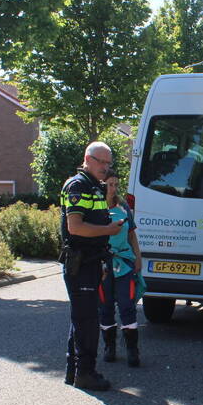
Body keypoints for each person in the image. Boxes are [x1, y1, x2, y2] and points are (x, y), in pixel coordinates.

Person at [60, 142, 125, 391]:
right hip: (80, 261)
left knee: (82, 318)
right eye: (102, 162)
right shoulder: (78, 185)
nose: (106, 167)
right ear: (88, 158)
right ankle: (85, 373)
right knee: (86, 320)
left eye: (109, 163)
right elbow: (75, 227)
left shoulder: (94, 187)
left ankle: (74, 371)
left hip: (91, 260)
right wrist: (108, 230)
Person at [97, 169, 143, 367]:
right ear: (102, 185)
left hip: (124, 264)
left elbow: (132, 234)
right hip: (103, 265)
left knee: (127, 306)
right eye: (110, 184)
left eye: (116, 184)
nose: (114, 188)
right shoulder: (94, 207)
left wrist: (138, 257)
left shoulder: (123, 206)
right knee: (105, 307)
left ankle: (132, 349)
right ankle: (109, 346)